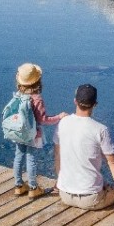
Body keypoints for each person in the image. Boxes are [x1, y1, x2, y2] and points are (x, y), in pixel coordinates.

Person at [53, 84, 114, 210]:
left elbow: (57, 155)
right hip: (91, 199)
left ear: (75, 101)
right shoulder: (101, 129)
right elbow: (113, 163)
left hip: (64, 194)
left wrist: (61, 181)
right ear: (95, 104)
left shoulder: (62, 123)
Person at [12, 63, 68, 199]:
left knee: (18, 156)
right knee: (30, 158)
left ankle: (18, 186)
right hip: (32, 134)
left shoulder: (18, 95)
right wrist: (59, 117)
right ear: (38, 81)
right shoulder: (37, 99)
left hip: (18, 131)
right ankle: (33, 188)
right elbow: (43, 120)